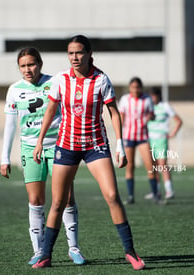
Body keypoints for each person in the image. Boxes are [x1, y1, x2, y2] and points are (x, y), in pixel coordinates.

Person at [32, 35, 145, 270]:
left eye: (79, 52)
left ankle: (130, 253)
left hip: (96, 146)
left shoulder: (101, 79)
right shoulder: (61, 80)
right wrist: (40, 141)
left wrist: (120, 144)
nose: (75, 57)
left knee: (112, 196)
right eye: (71, 53)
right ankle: (45, 255)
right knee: (58, 203)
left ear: (89, 54)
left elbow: (114, 112)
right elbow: (51, 110)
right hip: (66, 146)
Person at [0, 47, 85, 265]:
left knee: (66, 198)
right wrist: (5, 157)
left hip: (60, 146)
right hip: (30, 149)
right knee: (36, 200)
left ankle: (74, 248)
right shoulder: (14, 90)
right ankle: (39, 251)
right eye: (22, 66)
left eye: (31, 64)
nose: (27, 70)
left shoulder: (55, 82)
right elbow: (10, 125)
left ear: (40, 64)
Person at [118, 77, 159, 204]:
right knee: (130, 166)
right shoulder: (125, 99)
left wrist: (150, 117)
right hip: (128, 137)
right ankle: (130, 197)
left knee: (150, 166)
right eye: (133, 87)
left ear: (141, 88)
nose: (136, 89)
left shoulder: (147, 99)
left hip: (143, 137)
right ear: (130, 88)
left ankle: (155, 195)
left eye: (138, 87)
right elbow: (121, 117)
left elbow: (153, 115)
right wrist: (119, 137)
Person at [146, 87, 183, 200]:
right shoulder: (148, 107)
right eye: (150, 96)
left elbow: (179, 121)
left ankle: (169, 190)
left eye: (154, 96)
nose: (152, 98)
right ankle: (156, 191)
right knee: (153, 167)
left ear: (158, 96)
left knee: (162, 165)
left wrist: (172, 134)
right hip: (149, 140)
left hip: (161, 139)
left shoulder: (165, 106)